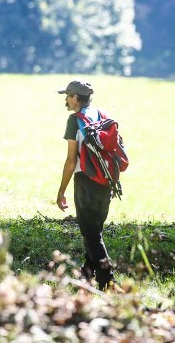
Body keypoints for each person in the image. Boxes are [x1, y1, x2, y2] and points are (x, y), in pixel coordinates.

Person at [55, 79, 115, 290]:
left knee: (91, 235)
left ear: (76, 98)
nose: (66, 99)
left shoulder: (75, 121)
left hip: (86, 182)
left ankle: (108, 280)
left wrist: (61, 191)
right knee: (94, 231)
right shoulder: (101, 115)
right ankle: (86, 276)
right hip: (107, 181)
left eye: (68, 95)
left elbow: (72, 161)